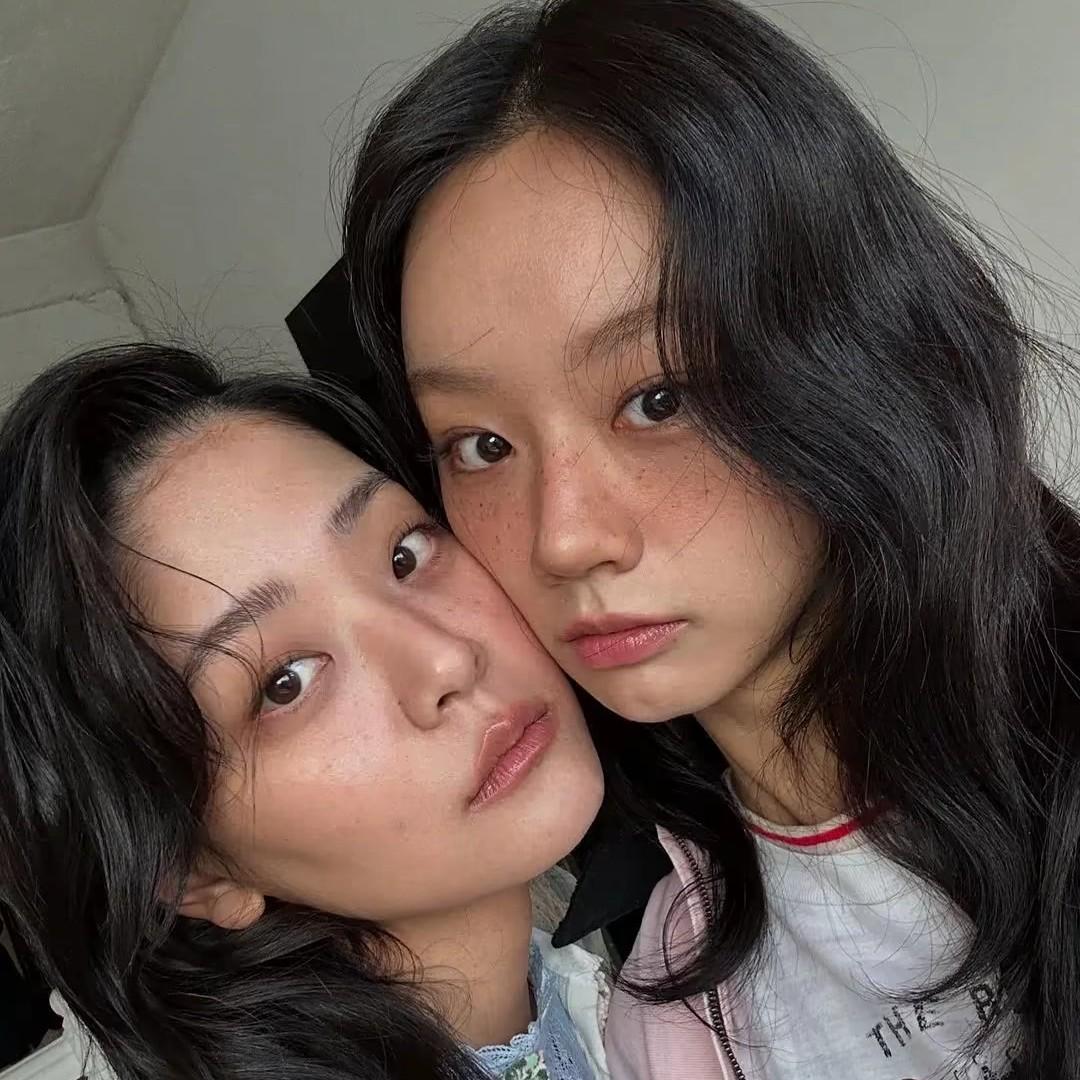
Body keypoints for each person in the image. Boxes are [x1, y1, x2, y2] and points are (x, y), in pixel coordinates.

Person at [341, 1, 1080, 1077]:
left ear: (850, 344)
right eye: (481, 445)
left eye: (659, 397)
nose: (563, 539)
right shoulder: (671, 1011)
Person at [0, 344, 611, 1080]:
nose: (447, 659)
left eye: (405, 555)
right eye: (284, 682)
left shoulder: (606, 987)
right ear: (193, 878)